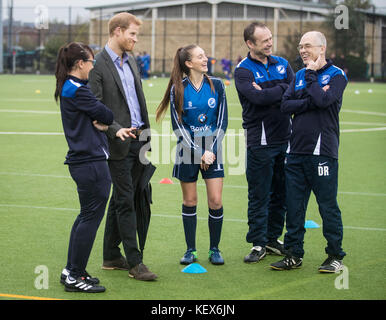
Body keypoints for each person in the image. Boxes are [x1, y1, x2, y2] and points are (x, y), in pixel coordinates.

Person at [271, 31, 347, 272]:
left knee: (327, 206)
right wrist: (309, 99)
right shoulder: (300, 75)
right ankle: (294, 254)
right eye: (300, 46)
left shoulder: (337, 75)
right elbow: (285, 105)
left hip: (323, 152)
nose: (302, 50)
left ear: (321, 48)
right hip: (295, 152)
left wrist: (313, 80)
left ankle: (335, 255)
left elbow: (325, 102)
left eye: (308, 46)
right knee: (294, 206)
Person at [88, 12, 157, 281]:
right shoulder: (97, 64)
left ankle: (110, 255)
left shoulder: (132, 62)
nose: (135, 39)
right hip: (117, 142)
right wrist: (117, 131)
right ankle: (135, 262)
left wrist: (146, 135)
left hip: (139, 139)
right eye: (132, 34)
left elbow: (136, 102)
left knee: (131, 196)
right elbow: (95, 110)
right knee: (126, 199)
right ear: (117, 31)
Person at [156, 44, 228, 265]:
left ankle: (214, 249)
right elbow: (179, 128)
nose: (206, 59)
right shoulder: (178, 88)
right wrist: (199, 153)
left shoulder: (217, 85)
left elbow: (222, 121)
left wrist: (210, 151)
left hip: (213, 151)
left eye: (205, 55)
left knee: (215, 201)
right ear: (189, 63)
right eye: (200, 56)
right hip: (187, 152)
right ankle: (191, 250)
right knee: (190, 200)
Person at [55, 42, 114, 293]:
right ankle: (74, 274)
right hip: (89, 162)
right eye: (91, 62)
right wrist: (103, 121)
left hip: (84, 161)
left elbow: (101, 115)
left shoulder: (74, 87)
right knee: (89, 218)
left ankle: (72, 270)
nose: (93, 66)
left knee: (85, 216)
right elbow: (107, 115)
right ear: (80, 63)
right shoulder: (77, 90)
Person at [234, 22, 294, 263]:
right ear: (250, 44)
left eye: (271, 38)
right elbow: (257, 98)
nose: (270, 43)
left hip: (286, 139)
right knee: (259, 194)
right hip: (259, 141)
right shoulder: (243, 70)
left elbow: (293, 91)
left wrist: (274, 91)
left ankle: (272, 238)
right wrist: (281, 90)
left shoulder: (283, 64)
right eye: (264, 40)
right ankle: (258, 243)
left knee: (282, 193)